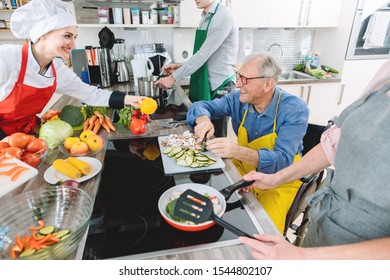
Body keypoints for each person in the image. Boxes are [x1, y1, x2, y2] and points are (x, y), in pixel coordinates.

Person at [238, 59, 390, 259]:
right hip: (324, 227)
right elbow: (332, 145)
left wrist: (302, 258)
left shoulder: (292, 107)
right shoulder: (385, 71)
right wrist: (274, 179)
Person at [187, 52, 309, 234]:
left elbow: (282, 160)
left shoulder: (294, 109)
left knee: (263, 236)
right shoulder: (238, 100)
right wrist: (203, 119)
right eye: (238, 76)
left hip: (280, 181)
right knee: (217, 212)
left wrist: (236, 151)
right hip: (244, 172)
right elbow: (200, 106)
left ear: (268, 83)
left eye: (245, 79)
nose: (237, 84)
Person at [0, 0, 144, 139]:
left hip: (26, 136)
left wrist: (127, 99)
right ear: (43, 33)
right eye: (67, 36)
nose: (73, 45)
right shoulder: (6, 59)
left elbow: (90, 94)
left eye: (74, 37)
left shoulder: (57, 70)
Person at [154, 0, 238, 137]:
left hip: (220, 86)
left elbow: (203, 55)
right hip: (207, 83)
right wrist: (180, 66)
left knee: (214, 137)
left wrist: (173, 78)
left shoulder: (223, 16)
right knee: (202, 133)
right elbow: (206, 55)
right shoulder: (205, 17)